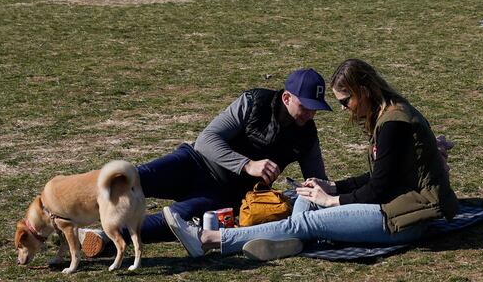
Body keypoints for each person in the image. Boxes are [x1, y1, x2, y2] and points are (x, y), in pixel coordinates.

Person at [164, 60, 457, 262]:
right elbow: (381, 176)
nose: (344, 109)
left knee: (307, 220)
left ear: (363, 92)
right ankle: (291, 240)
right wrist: (330, 186)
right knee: (308, 198)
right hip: (395, 205)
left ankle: (209, 239)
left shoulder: (393, 122)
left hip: (403, 218)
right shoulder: (389, 115)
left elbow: (379, 188)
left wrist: (332, 199)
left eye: (345, 101)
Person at [84, 69, 330, 255]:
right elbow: (206, 140)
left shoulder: (307, 135)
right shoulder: (254, 102)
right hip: (194, 162)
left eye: (315, 109)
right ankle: (64, 209)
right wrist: (247, 165)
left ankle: (101, 239)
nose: (310, 114)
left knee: (172, 222)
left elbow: (318, 180)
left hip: (224, 195)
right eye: (305, 106)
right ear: (287, 98)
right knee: (132, 179)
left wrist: (320, 192)